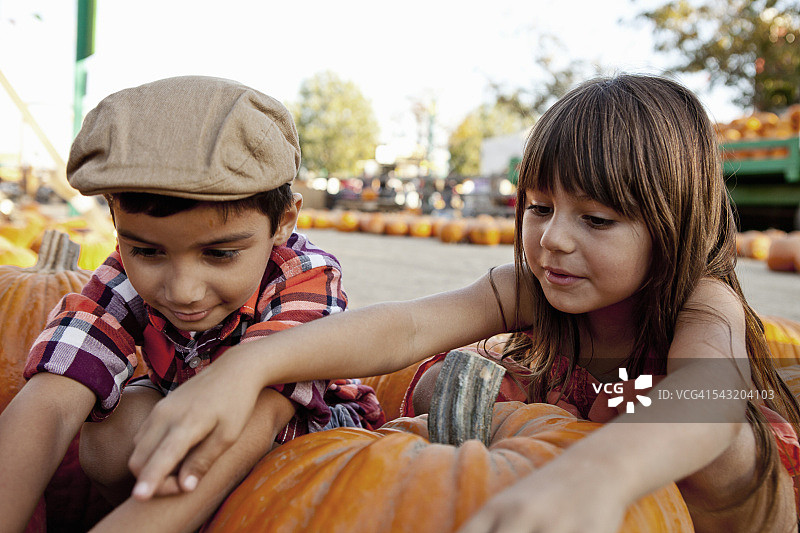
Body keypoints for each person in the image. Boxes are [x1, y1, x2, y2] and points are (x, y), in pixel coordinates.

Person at [127, 74, 800, 532]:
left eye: (597, 220)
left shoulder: (702, 300)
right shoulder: (534, 290)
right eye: (540, 207)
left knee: (725, 441)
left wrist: (597, 474)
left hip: (711, 499)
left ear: (673, 221)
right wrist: (248, 366)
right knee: (438, 378)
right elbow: (410, 323)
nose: (555, 239)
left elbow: (707, 398)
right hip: (574, 434)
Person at [0, 76, 384, 533]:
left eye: (219, 254)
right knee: (111, 433)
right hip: (190, 424)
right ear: (116, 223)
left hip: (301, 439)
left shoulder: (304, 276)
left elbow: (260, 419)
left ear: (284, 221)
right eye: (148, 251)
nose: (182, 289)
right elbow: (53, 395)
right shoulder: (122, 274)